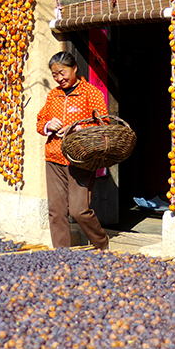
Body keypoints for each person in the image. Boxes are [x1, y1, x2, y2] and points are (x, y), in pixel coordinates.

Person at [36, 51, 110, 250]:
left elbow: (104, 123)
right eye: (54, 75)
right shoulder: (54, 95)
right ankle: (62, 254)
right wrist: (48, 125)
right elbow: (40, 121)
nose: (59, 78)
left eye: (62, 72)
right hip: (54, 157)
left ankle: (101, 245)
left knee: (79, 210)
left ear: (75, 68)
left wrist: (78, 128)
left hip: (80, 159)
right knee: (56, 210)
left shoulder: (91, 93)